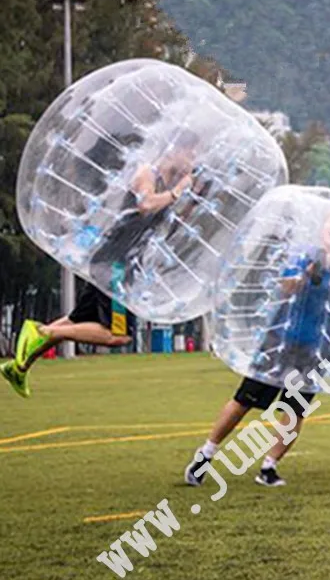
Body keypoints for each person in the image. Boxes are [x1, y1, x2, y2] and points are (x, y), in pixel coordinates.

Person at [2, 141, 196, 399]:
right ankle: (43, 331)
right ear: (175, 149)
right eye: (191, 152)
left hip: (119, 262)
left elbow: (169, 222)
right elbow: (146, 204)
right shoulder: (147, 173)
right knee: (118, 336)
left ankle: (17, 368)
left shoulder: (167, 185)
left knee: (75, 322)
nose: (193, 160)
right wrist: (177, 192)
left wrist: (191, 199)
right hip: (113, 262)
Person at [184, 212, 330, 489]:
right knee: (245, 400)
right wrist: (308, 272)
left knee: (295, 411)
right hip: (279, 341)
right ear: (322, 228)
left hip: (314, 349)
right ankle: (205, 454)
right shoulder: (304, 255)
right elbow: (285, 288)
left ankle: (269, 467)